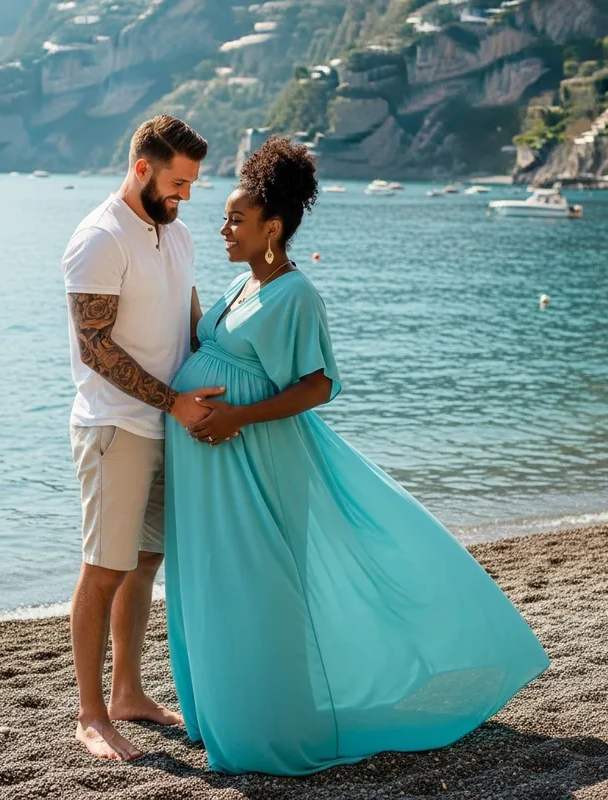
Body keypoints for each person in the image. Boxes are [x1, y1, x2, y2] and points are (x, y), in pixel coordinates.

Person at [164, 136, 550, 775]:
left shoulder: (295, 294)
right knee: (214, 585)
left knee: (260, 590)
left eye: (236, 219)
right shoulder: (242, 284)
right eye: (226, 218)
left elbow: (318, 385)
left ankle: (271, 725)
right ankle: (226, 715)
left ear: (273, 227)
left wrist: (236, 416)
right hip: (214, 469)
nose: (224, 229)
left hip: (256, 462)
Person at [61, 115, 222, 762]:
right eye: (178, 183)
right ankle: (91, 715)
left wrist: (229, 366)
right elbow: (95, 348)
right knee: (104, 568)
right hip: (116, 426)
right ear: (141, 169)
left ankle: (127, 693)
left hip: (167, 426)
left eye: (192, 184)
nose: (185, 195)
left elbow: (188, 315)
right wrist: (173, 402)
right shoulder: (99, 238)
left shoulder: (176, 232)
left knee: (144, 561)